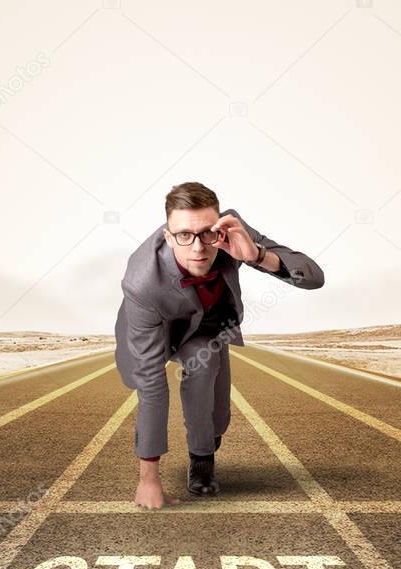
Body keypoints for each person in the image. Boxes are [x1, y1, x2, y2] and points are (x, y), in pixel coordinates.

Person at [114, 181, 325, 509]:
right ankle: (202, 462)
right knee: (147, 384)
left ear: (218, 227)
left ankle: (202, 453)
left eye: (207, 234)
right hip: (158, 325)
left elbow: (314, 277)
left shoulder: (230, 229)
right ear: (168, 237)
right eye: (184, 235)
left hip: (206, 324)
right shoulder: (142, 282)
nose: (198, 248)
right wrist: (148, 480)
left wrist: (257, 256)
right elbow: (152, 386)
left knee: (216, 410)